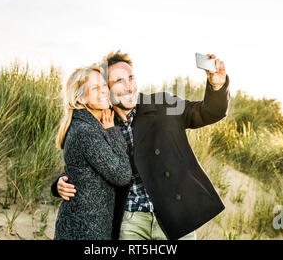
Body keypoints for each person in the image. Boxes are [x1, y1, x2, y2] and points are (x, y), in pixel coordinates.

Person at [52, 51, 230, 240]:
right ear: (107, 89)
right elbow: (90, 162)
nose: (129, 87)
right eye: (119, 81)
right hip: (130, 221)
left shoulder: (163, 104)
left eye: (131, 78)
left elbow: (208, 112)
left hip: (174, 217)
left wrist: (217, 85)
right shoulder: (104, 122)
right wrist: (61, 183)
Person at [53, 64, 132, 240]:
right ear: (80, 99)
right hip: (84, 230)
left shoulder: (92, 124)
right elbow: (121, 175)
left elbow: (82, 170)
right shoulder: (86, 131)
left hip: (89, 226)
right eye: (95, 88)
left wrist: (57, 183)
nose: (104, 91)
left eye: (104, 85)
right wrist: (112, 132)